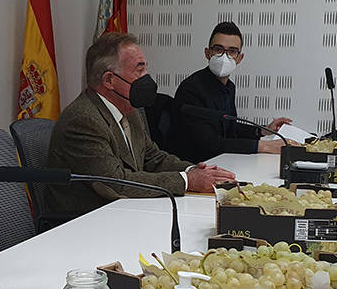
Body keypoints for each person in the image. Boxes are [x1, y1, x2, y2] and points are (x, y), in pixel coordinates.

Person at [47, 32, 236, 215]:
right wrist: (187, 180)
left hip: (126, 212)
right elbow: (115, 183)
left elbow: (152, 157)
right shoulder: (83, 120)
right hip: (85, 224)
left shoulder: (130, 110)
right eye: (139, 69)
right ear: (109, 80)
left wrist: (193, 170)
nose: (146, 76)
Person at [169, 21, 297, 163]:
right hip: (195, 165)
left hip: (221, 161)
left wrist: (262, 131)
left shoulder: (229, 87)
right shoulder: (191, 89)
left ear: (239, 58)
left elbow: (229, 127)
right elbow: (209, 143)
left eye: (232, 51)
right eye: (218, 49)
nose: (225, 56)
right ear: (207, 53)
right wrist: (264, 146)